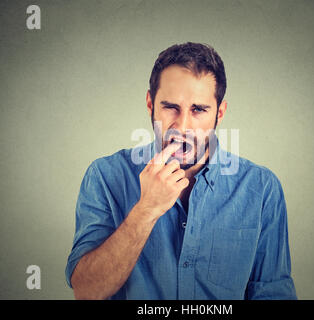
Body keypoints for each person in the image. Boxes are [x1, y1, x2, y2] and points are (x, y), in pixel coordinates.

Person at [65, 42, 297, 300]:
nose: (182, 126)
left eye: (198, 109)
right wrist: (146, 211)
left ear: (219, 113)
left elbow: (272, 292)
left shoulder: (261, 188)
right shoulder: (105, 176)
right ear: (150, 104)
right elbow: (86, 291)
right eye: (170, 107)